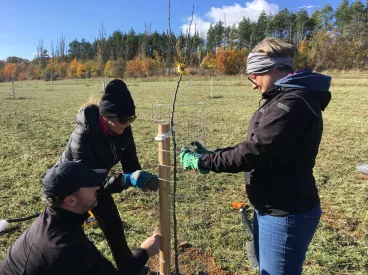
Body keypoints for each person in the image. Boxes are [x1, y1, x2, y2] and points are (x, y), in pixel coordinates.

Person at [180, 37, 331, 274]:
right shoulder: (285, 99)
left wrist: (203, 161)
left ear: (274, 69)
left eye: (254, 75)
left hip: (285, 212)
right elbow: (257, 145)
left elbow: (254, 152)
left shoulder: (292, 103)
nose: (253, 84)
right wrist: (215, 154)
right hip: (272, 207)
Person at [57, 79, 159, 273]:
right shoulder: (84, 135)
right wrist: (126, 180)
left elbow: (131, 165)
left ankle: (130, 267)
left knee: (114, 228)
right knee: (72, 240)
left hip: (96, 185)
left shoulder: (124, 129)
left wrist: (140, 177)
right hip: (70, 191)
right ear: (106, 116)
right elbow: (88, 180)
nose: (127, 124)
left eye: (131, 118)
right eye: (123, 119)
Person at [0, 162, 161, 275]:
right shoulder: (67, 247)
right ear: (71, 200)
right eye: (90, 185)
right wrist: (144, 252)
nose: (98, 187)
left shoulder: (51, 220)